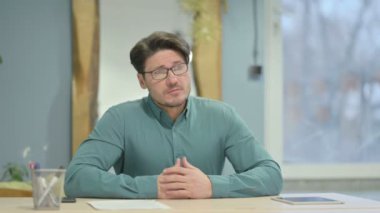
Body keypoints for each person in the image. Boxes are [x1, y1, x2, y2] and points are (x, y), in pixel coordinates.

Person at [64, 31, 283, 199]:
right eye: (159, 72)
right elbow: (77, 178)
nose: (172, 80)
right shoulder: (119, 119)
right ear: (142, 81)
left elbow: (271, 175)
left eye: (178, 67)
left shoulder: (222, 116)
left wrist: (210, 185)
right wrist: (152, 187)